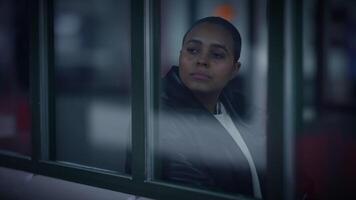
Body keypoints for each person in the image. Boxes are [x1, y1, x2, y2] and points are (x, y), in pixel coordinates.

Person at [157, 17, 266, 199]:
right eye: (192, 50)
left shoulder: (236, 104)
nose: (202, 60)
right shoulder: (164, 118)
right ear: (180, 56)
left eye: (216, 54)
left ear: (234, 69)